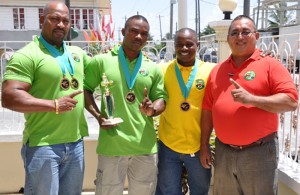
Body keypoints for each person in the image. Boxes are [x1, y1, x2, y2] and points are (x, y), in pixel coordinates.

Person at [200, 15, 298, 195]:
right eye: (234, 32)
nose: (240, 37)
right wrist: (204, 144)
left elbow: (291, 101)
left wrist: (252, 99)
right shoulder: (217, 70)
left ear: (257, 36)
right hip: (224, 152)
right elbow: (207, 110)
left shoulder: (270, 65)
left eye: (245, 32)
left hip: (258, 154)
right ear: (228, 38)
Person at [1, 1, 91, 194]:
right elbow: (9, 96)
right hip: (44, 146)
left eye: (66, 21)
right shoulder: (27, 55)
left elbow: (102, 75)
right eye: (55, 19)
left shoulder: (77, 53)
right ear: (42, 20)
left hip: (76, 144)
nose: (61, 24)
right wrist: (54, 104)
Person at [84, 15, 167, 195]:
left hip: (144, 147)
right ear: (123, 32)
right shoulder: (101, 61)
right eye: (134, 31)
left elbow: (161, 98)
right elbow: (85, 90)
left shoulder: (152, 67)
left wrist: (153, 109)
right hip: (112, 146)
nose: (139, 37)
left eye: (144, 34)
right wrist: (99, 117)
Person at [155, 28, 214, 195]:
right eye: (179, 45)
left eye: (189, 44)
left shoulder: (210, 70)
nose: (184, 48)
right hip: (169, 146)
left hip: (199, 146)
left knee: (200, 191)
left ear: (198, 44)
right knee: (168, 192)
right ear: (174, 46)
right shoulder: (163, 70)